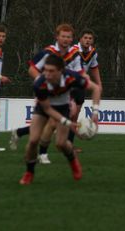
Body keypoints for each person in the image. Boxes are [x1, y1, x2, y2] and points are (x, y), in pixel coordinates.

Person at [19, 54, 101, 185]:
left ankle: (73, 160)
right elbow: (47, 109)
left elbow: (96, 88)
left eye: (51, 71)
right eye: (45, 70)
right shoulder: (40, 84)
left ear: (61, 71)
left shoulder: (71, 77)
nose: (47, 74)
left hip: (63, 108)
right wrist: (67, 122)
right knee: (33, 140)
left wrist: (95, 112)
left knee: (61, 144)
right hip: (44, 108)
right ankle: (29, 172)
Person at [9, 23, 85, 164]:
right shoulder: (47, 52)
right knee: (49, 124)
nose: (66, 39)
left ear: (72, 39)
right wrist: (43, 83)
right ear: (57, 37)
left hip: (63, 96)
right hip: (46, 95)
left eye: (69, 37)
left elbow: (78, 77)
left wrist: (73, 99)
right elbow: (32, 69)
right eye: (63, 36)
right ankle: (40, 153)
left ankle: (26, 138)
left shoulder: (75, 56)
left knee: (51, 123)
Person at [67, 28, 103, 151]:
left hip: (81, 86)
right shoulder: (73, 51)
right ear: (80, 39)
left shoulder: (92, 53)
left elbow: (94, 68)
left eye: (90, 38)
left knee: (74, 116)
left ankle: (69, 144)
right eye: (85, 38)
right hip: (68, 85)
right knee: (67, 115)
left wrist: (99, 84)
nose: (87, 40)